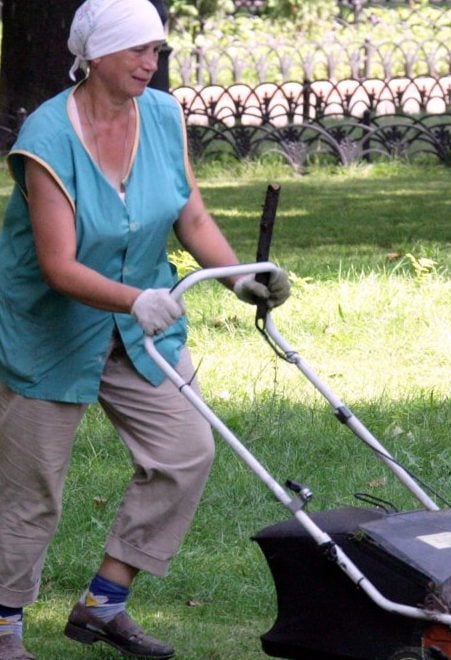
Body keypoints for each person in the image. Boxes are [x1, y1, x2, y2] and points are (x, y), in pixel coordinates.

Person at [0, 1, 290, 658]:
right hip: (48, 333)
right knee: (32, 488)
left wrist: (238, 278)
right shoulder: (48, 137)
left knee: (186, 451)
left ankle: (103, 604)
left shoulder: (162, 116)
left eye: (156, 51)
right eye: (136, 50)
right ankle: (4, 629)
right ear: (95, 55)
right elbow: (57, 264)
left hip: (139, 331)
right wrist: (135, 299)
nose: (149, 63)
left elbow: (191, 218)